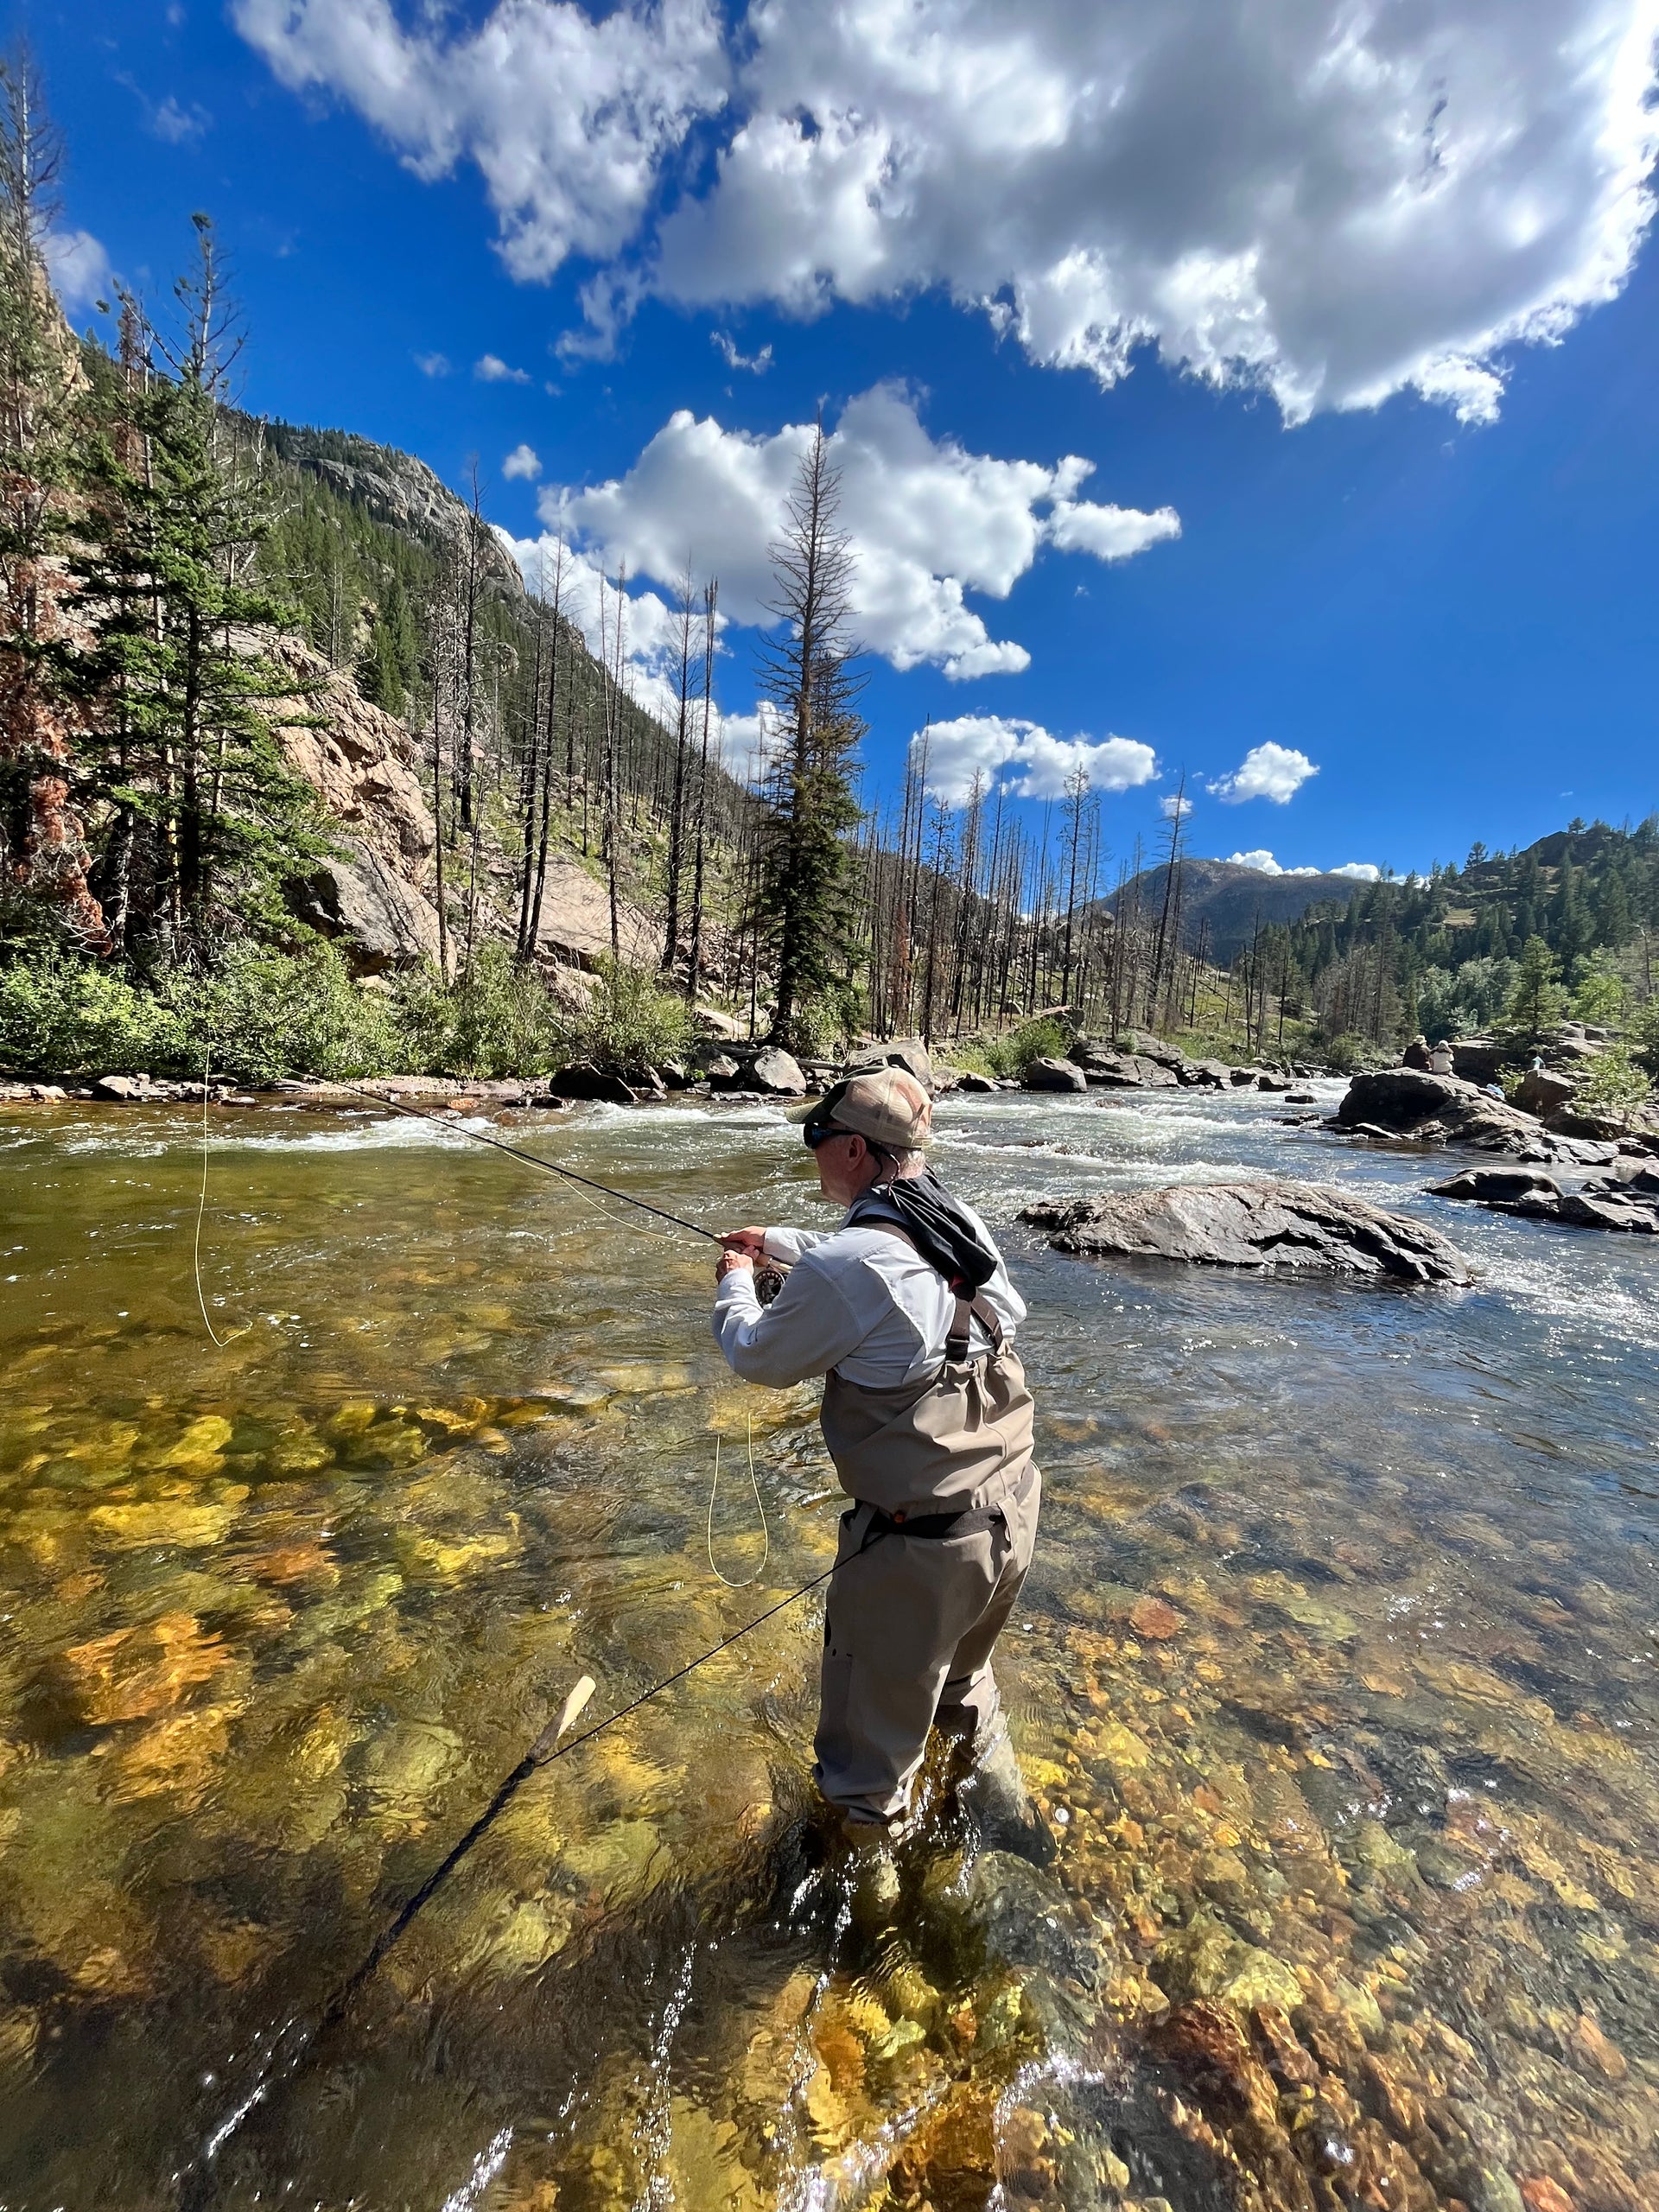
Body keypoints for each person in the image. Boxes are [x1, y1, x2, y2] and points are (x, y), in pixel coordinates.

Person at [712, 1066, 1041, 1847]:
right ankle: (1012, 1824)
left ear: (855, 1149)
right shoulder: (956, 1219)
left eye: (817, 1136)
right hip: (1011, 1514)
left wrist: (735, 1282)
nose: (814, 1149)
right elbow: (881, 1265)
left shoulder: (847, 1266)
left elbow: (757, 1354)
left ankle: (866, 1931)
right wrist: (780, 1243)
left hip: (915, 1550)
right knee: (963, 1685)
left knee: (864, 1774)